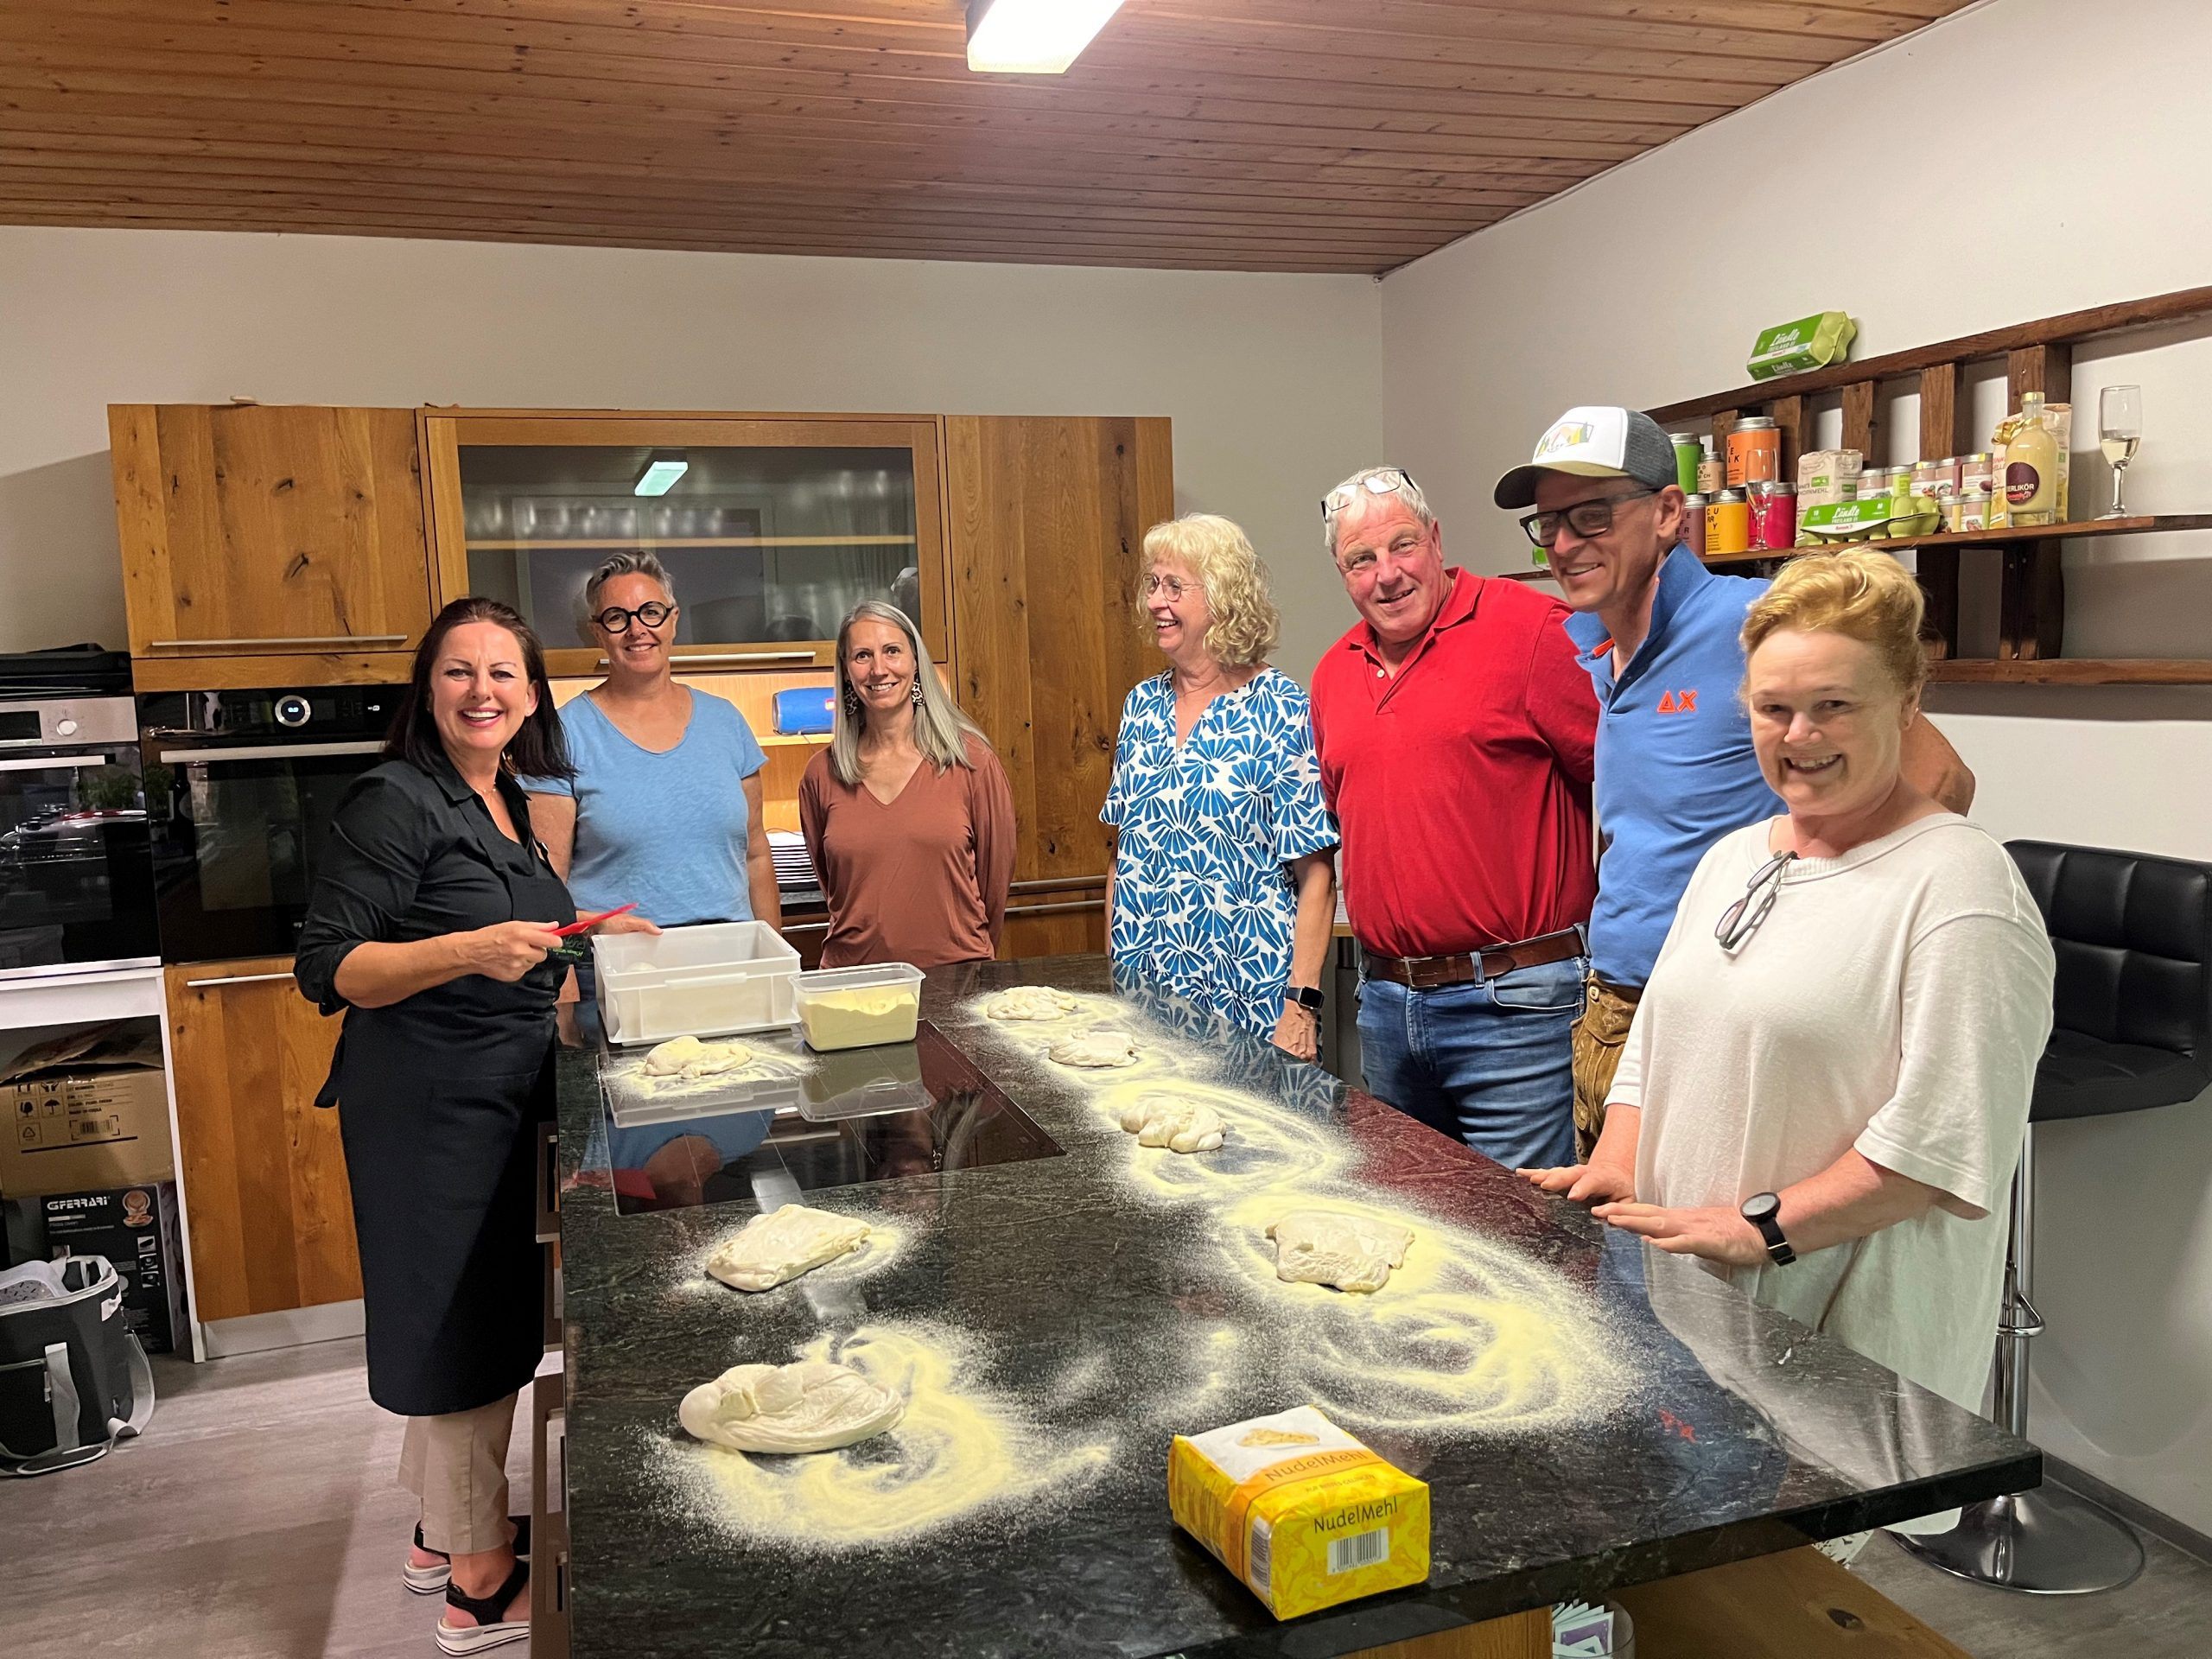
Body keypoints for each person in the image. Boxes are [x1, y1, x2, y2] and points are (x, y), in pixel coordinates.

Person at [1522, 550, 2054, 1414]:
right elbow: (1651, 1049)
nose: (1798, 736)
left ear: (1908, 703)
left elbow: (1934, 1148)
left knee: (1809, 1544)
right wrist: (1619, 1166)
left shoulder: (1960, 890)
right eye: (1773, 709)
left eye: (1832, 706)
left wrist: (1757, 1228)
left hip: (1838, 1347)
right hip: (1695, 1315)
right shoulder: (1736, 856)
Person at [295, 599, 640, 1653]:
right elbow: (330, 967)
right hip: (431, 1109)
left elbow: (523, 937)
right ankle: (480, 1583)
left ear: (531, 695)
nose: (482, 690)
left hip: (502, 1093)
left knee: (478, 1311)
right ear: (427, 688)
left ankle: (438, 1534)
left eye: (503, 673)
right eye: (459, 671)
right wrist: (465, 952)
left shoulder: (497, 798)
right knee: (457, 1328)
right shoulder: (392, 800)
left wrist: (595, 945)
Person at [1493, 406, 1977, 1158]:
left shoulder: (1745, 623)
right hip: (1615, 1004)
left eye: (1591, 516)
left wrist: (1824, 945)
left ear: (1665, 513)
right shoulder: (1591, 641)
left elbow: (1939, 776)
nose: (1563, 543)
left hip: (1714, 1011)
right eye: (1548, 522)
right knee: (1614, 1261)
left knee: (1693, 1258)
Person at [1310, 467, 1597, 1166]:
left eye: (1402, 546)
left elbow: (1628, 793)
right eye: (1361, 560)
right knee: (1415, 1230)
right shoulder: (1333, 673)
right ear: (1342, 574)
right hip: (1385, 1003)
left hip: (1516, 1005)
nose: (1387, 575)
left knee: (1522, 1240)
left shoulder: (1534, 632)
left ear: (1436, 540)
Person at [1101, 515, 1338, 1058]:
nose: (1156, 601)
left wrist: (1301, 1007)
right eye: (1152, 584)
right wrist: (1114, 983)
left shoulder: (1281, 708)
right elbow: (1121, 860)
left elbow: (1316, 873)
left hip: (1253, 1005)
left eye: (1174, 586)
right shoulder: (1141, 708)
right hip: (1146, 1006)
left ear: (1225, 598)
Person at [525, 552, 780, 937]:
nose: (637, 629)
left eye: (651, 612)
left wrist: (773, 961)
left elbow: (756, 854)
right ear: (597, 632)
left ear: (673, 620)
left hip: (730, 964)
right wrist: (568, 986)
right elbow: (548, 889)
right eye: (616, 617)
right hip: (623, 973)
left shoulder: (725, 721)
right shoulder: (563, 735)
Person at [798, 600, 1014, 967]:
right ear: (847, 671)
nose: (879, 670)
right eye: (862, 656)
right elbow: (832, 886)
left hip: (956, 978)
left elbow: (995, 888)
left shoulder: (972, 763)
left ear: (915, 662)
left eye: (892, 651)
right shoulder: (822, 774)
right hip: (853, 984)